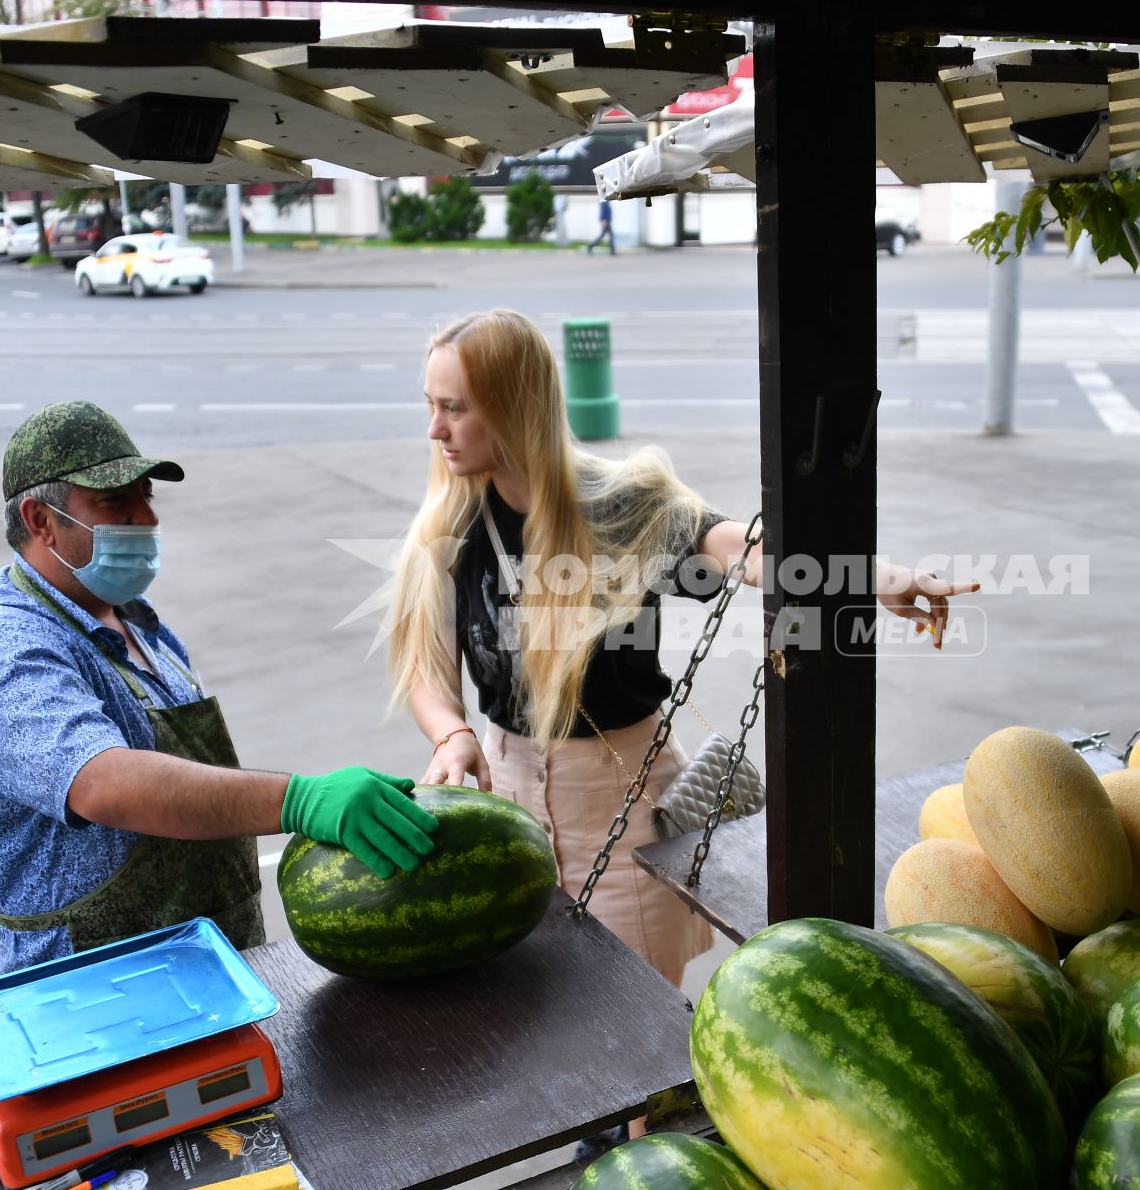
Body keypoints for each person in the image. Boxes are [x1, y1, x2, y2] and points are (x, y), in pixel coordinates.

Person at [386, 310, 975, 989]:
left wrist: (872, 578)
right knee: (536, 1014)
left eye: (455, 409)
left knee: (635, 1019)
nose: (436, 430)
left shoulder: (622, 504)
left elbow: (742, 551)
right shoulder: (451, 523)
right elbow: (428, 669)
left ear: (514, 405)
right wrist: (451, 736)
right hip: (505, 797)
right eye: (432, 407)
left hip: (623, 798)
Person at [0, 401, 439, 974]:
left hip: (208, 968)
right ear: (40, 520)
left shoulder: (137, 623)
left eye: (146, 496)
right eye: (115, 502)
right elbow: (103, 783)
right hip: (93, 996)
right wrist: (299, 800)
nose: (146, 518)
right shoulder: (0, 648)